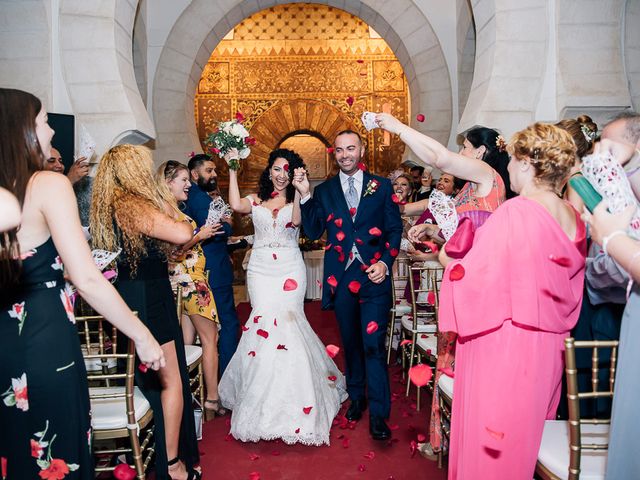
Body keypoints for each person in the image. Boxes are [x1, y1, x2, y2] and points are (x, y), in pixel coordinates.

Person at [0, 88, 164, 478]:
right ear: (20, 129)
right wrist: (141, 335)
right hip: (45, 344)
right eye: (42, 123)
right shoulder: (48, 185)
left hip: (5, 343)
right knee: (56, 449)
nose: (51, 132)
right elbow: (86, 277)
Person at [438, 123, 585, 479]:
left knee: (493, 446)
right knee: (525, 441)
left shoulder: (517, 212)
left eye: (515, 160)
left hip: (505, 345)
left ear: (527, 164)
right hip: (548, 347)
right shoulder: (572, 216)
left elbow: (471, 277)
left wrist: (446, 257)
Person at [218, 148, 347, 445]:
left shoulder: (295, 199)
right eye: (276, 169)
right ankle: (259, 398)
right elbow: (236, 205)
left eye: (286, 170)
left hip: (290, 266)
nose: (280, 175)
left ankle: (296, 400)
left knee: (289, 322)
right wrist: (233, 169)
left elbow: (301, 222)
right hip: (261, 269)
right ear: (269, 171)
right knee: (262, 320)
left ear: (294, 174)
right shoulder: (256, 200)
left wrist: (303, 191)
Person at [90, 145, 200, 480]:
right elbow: (183, 232)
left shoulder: (111, 205)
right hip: (147, 297)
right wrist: (161, 197)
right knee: (171, 382)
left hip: (132, 293)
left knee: (154, 382)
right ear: (131, 171)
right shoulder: (131, 203)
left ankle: (162, 457)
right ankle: (172, 466)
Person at [293, 130, 403, 441]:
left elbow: (394, 229)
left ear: (362, 150)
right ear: (334, 154)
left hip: (374, 277)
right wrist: (305, 194)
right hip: (341, 279)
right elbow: (314, 231)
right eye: (339, 150)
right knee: (352, 343)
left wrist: (384, 262)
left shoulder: (381, 187)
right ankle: (357, 398)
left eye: (350, 148)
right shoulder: (325, 190)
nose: (345, 155)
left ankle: (380, 414)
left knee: (373, 346)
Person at [582, 112, 640, 479]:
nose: (600, 151)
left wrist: (610, 241)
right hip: (614, 303)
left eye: (609, 143)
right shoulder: (612, 190)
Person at [157, 160, 228, 420]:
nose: (188, 185)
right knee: (210, 341)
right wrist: (200, 235)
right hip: (191, 283)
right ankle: (212, 400)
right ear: (167, 182)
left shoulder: (170, 209)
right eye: (183, 180)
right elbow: (173, 251)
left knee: (186, 344)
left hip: (184, 283)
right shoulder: (166, 211)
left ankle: (186, 399)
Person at [185, 154, 239, 375]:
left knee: (205, 329)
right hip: (212, 270)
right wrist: (227, 223)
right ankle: (226, 376)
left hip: (204, 266)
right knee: (228, 324)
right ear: (195, 174)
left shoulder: (195, 197)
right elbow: (219, 230)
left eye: (215, 170)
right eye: (209, 171)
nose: (215, 174)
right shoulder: (200, 199)